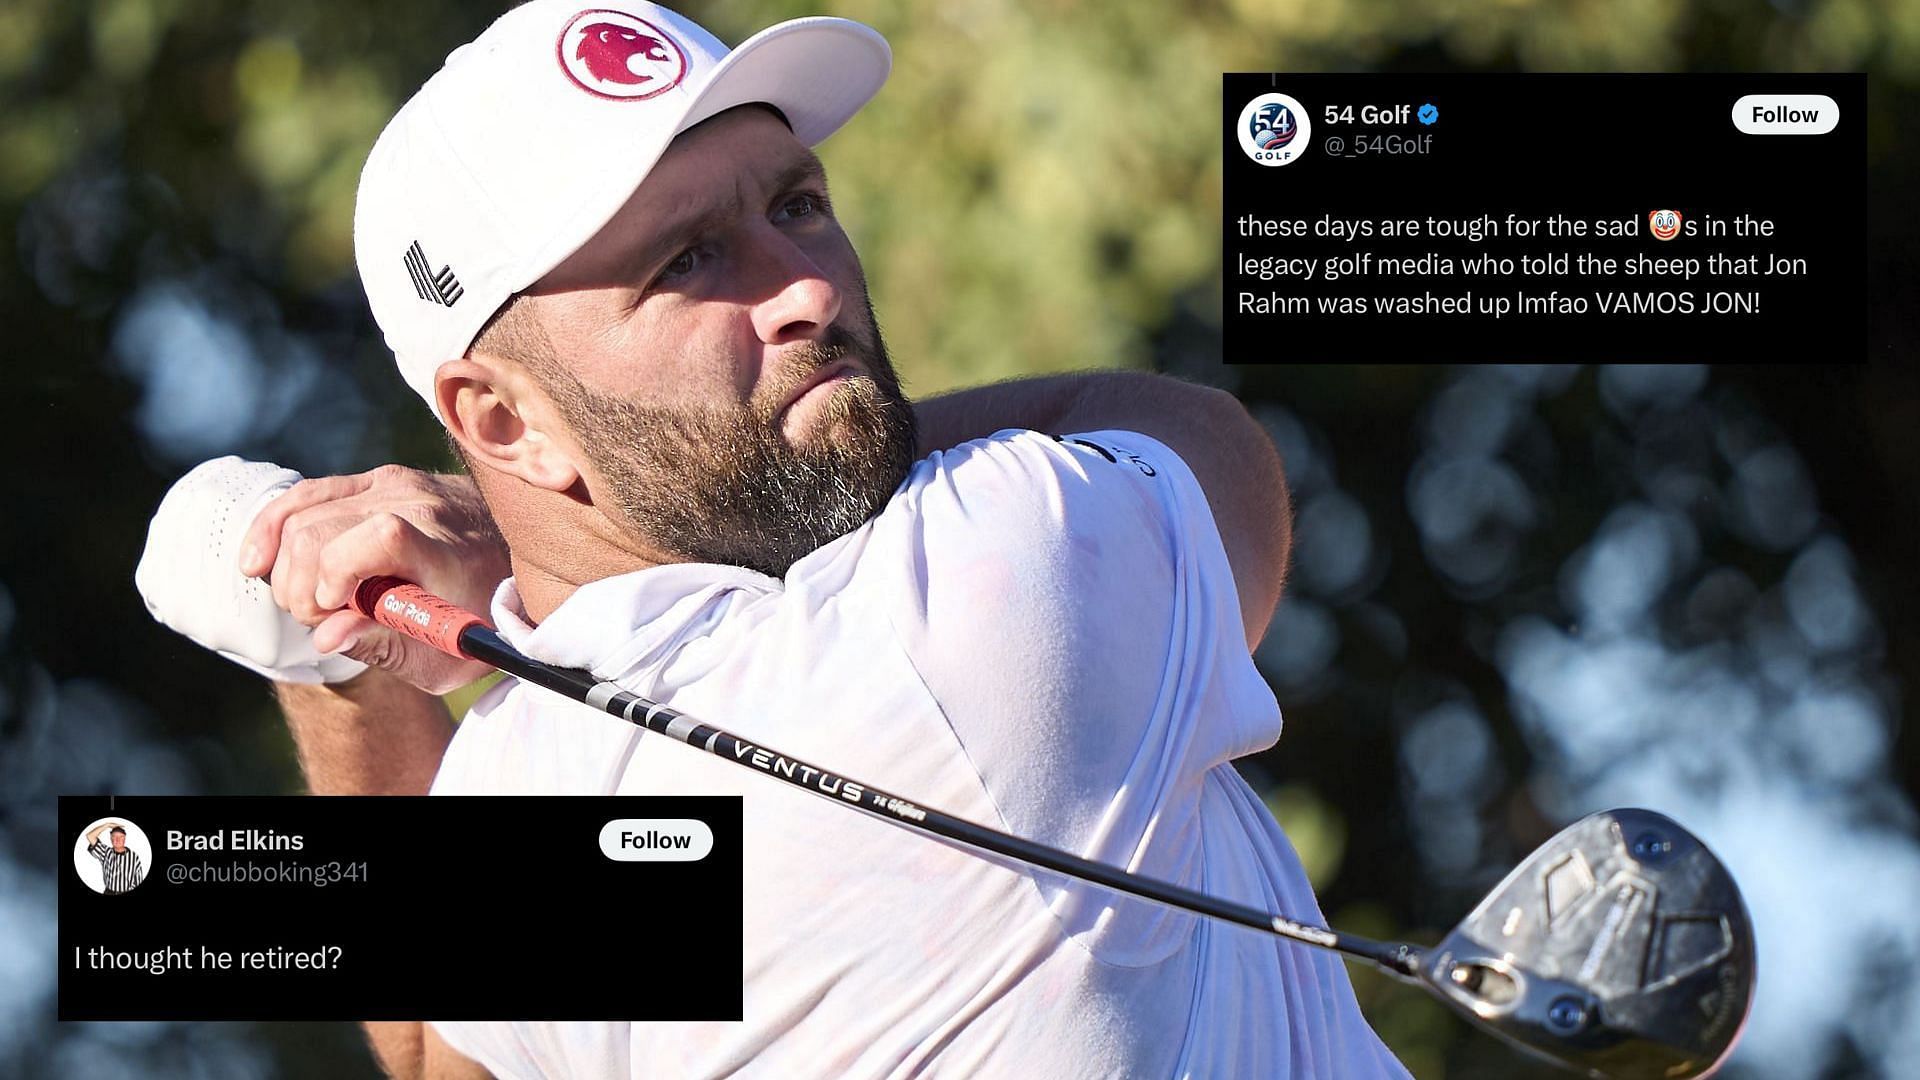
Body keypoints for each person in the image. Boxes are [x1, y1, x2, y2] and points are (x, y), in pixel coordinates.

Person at [137, 2, 1411, 1077]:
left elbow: (428, 1048)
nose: (803, 285)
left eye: (797, 205)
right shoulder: (989, 579)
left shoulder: (536, 786)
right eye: (691, 260)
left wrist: (339, 656)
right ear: (501, 420)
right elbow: (1179, 425)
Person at [85, 822, 145, 894]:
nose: (117, 839)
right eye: (114, 836)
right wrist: (107, 825)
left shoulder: (134, 857)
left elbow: (138, 881)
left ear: (124, 839)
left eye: (121, 837)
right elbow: (90, 836)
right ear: (111, 839)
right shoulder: (105, 852)